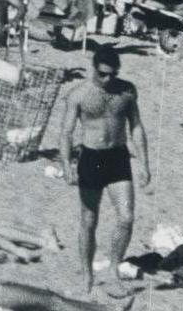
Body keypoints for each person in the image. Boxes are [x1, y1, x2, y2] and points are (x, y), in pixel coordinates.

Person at [55, 44, 151, 296]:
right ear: (93, 69)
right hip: (92, 158)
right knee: (89, 220)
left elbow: (137, 128)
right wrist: (66, 164)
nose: (108, 79)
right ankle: (87, 274)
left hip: (117, 156)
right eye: (103, 74)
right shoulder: (79, 95)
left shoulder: (127, 92)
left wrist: (144, 163)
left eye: (113, 74)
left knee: (127, 217)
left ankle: (113, 271)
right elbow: (66, 132)